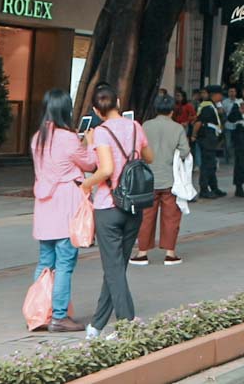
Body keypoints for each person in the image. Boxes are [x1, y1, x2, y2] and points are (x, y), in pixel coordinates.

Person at [28, 88, 99, 333]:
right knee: (65, 264)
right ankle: (59, 316)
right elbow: (90, 163)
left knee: (45, 263)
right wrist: (89, 143)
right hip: (66, 205)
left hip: (44, 207)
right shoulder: (68, 138)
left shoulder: (37, 137)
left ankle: (39, 313)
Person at [85, 85, 148, 339]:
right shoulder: (136, 127)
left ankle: (127, 325)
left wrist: (85, 184)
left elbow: (106, 169)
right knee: (117, 267)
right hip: (134, 204)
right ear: (119, 102)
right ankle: (97, 325)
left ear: (95, 110)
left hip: (108, 207)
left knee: (113, 268)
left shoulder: (100, 133)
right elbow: (149, 156)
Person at [133, 98, 188, 266]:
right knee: (171, 217)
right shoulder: (177, 128)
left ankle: (142, 253)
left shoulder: (146, 126)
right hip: (170, 180)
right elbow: (185, 151)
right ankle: (170, 253)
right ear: (172, 110)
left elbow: (138, 148)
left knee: (145, 217)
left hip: (148, 179)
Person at [193, 87, 224, 199]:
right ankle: (204, 189)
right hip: (207, 138)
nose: (221, 97)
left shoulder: (212, 106)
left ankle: (214, 187)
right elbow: (199, 122)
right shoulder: (207, 107)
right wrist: (193, 135)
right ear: (215, 95)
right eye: (220, 95)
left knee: (211, 164)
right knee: (207, 165)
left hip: (210, 138)